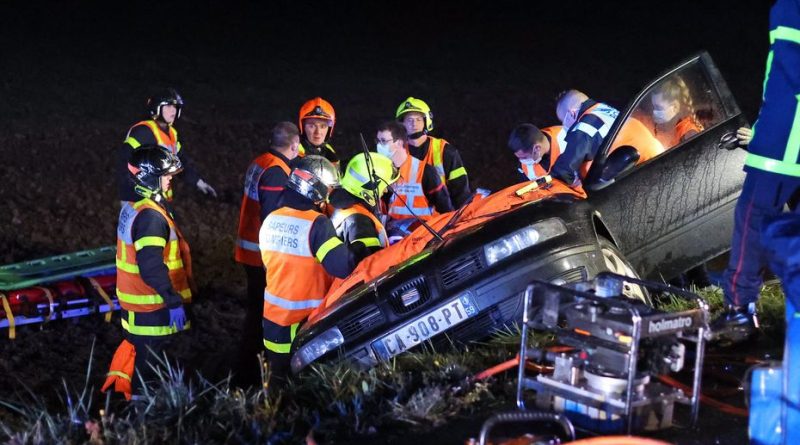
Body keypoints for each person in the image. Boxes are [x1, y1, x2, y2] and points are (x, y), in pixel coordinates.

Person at [713, 0, 800, 343]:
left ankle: (739, 310)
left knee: (751, 221)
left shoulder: (790, 8)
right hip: (781, 138)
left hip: (783, 144)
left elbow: (791, 71)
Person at [102, 145, 193, 400]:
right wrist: (173, 299)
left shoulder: (135, 207)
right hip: (153, 310)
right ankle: (146, 424)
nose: (170, 179)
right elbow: (151, 266)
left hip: (137, 309)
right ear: (149, 176)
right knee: (150, 376)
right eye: (166, 175)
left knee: (143, 369)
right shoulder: (150, 218)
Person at [259, 155, 357, 387]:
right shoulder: (317, 224)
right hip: (304, 324)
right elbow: (342, 267)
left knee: (276, 382)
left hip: (273, 321)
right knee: (305, 386)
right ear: (318, 189)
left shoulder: (271, 219)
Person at [233, 121, 300, 384]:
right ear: (293, 144)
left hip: (247, 247)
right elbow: (272, 217)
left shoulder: (260, 161)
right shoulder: (276, 171)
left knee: (254, 311)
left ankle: (246, 366)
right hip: (260, 255)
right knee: (260, 315)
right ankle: (250, 370)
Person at [118, 88, 216, 202]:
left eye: (175, 107)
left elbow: (181, 162)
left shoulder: (172, 133)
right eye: (169, 106)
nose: (173, 111)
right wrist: (133, 193)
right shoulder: (144, 131)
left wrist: (199, 182)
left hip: (161, 200)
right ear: (156, 108)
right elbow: (124, 162)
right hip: (141, 200)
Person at [550, 89, 663, 187]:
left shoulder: (585, 125)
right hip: (659, 162)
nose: (565, 127)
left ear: (571, 114)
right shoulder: (606, 110)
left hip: (645, 178)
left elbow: (562, 172)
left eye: (563, 121)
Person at [396, 97, 471, 208]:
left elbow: (461, 194)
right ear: (401, 124)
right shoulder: (394, 152)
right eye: (409, 120)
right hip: (400, 222)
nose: (413, 124)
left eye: (418, 119)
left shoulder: (445, 151)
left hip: (439, 222)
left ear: (427, 121)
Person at [330, 152, 400, 264]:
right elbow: (371, 268)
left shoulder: (346, 210)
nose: (386, 190)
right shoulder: (360, 223)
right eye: (384, 186)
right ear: (368, 190)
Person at [377, 121, 453, 222]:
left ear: (399, 143)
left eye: (383, 141)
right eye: (377, 141)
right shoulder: (379, 172)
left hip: (422, 235)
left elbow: (446, 212)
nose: (379, 145)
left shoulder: (425, 172)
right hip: (390, 235)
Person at [650, 76, 703, 148]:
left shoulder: (689, 135)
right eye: (653, 106)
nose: (654, 112)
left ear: (675, 107)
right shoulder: (670, 125)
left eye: (658, 107)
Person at [298, 97, 339, 167]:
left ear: (329, 129)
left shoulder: (330, 153)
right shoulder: (294, 153)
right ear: (303, 127)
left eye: (323, 126)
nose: (318, 132)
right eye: (312, 126)